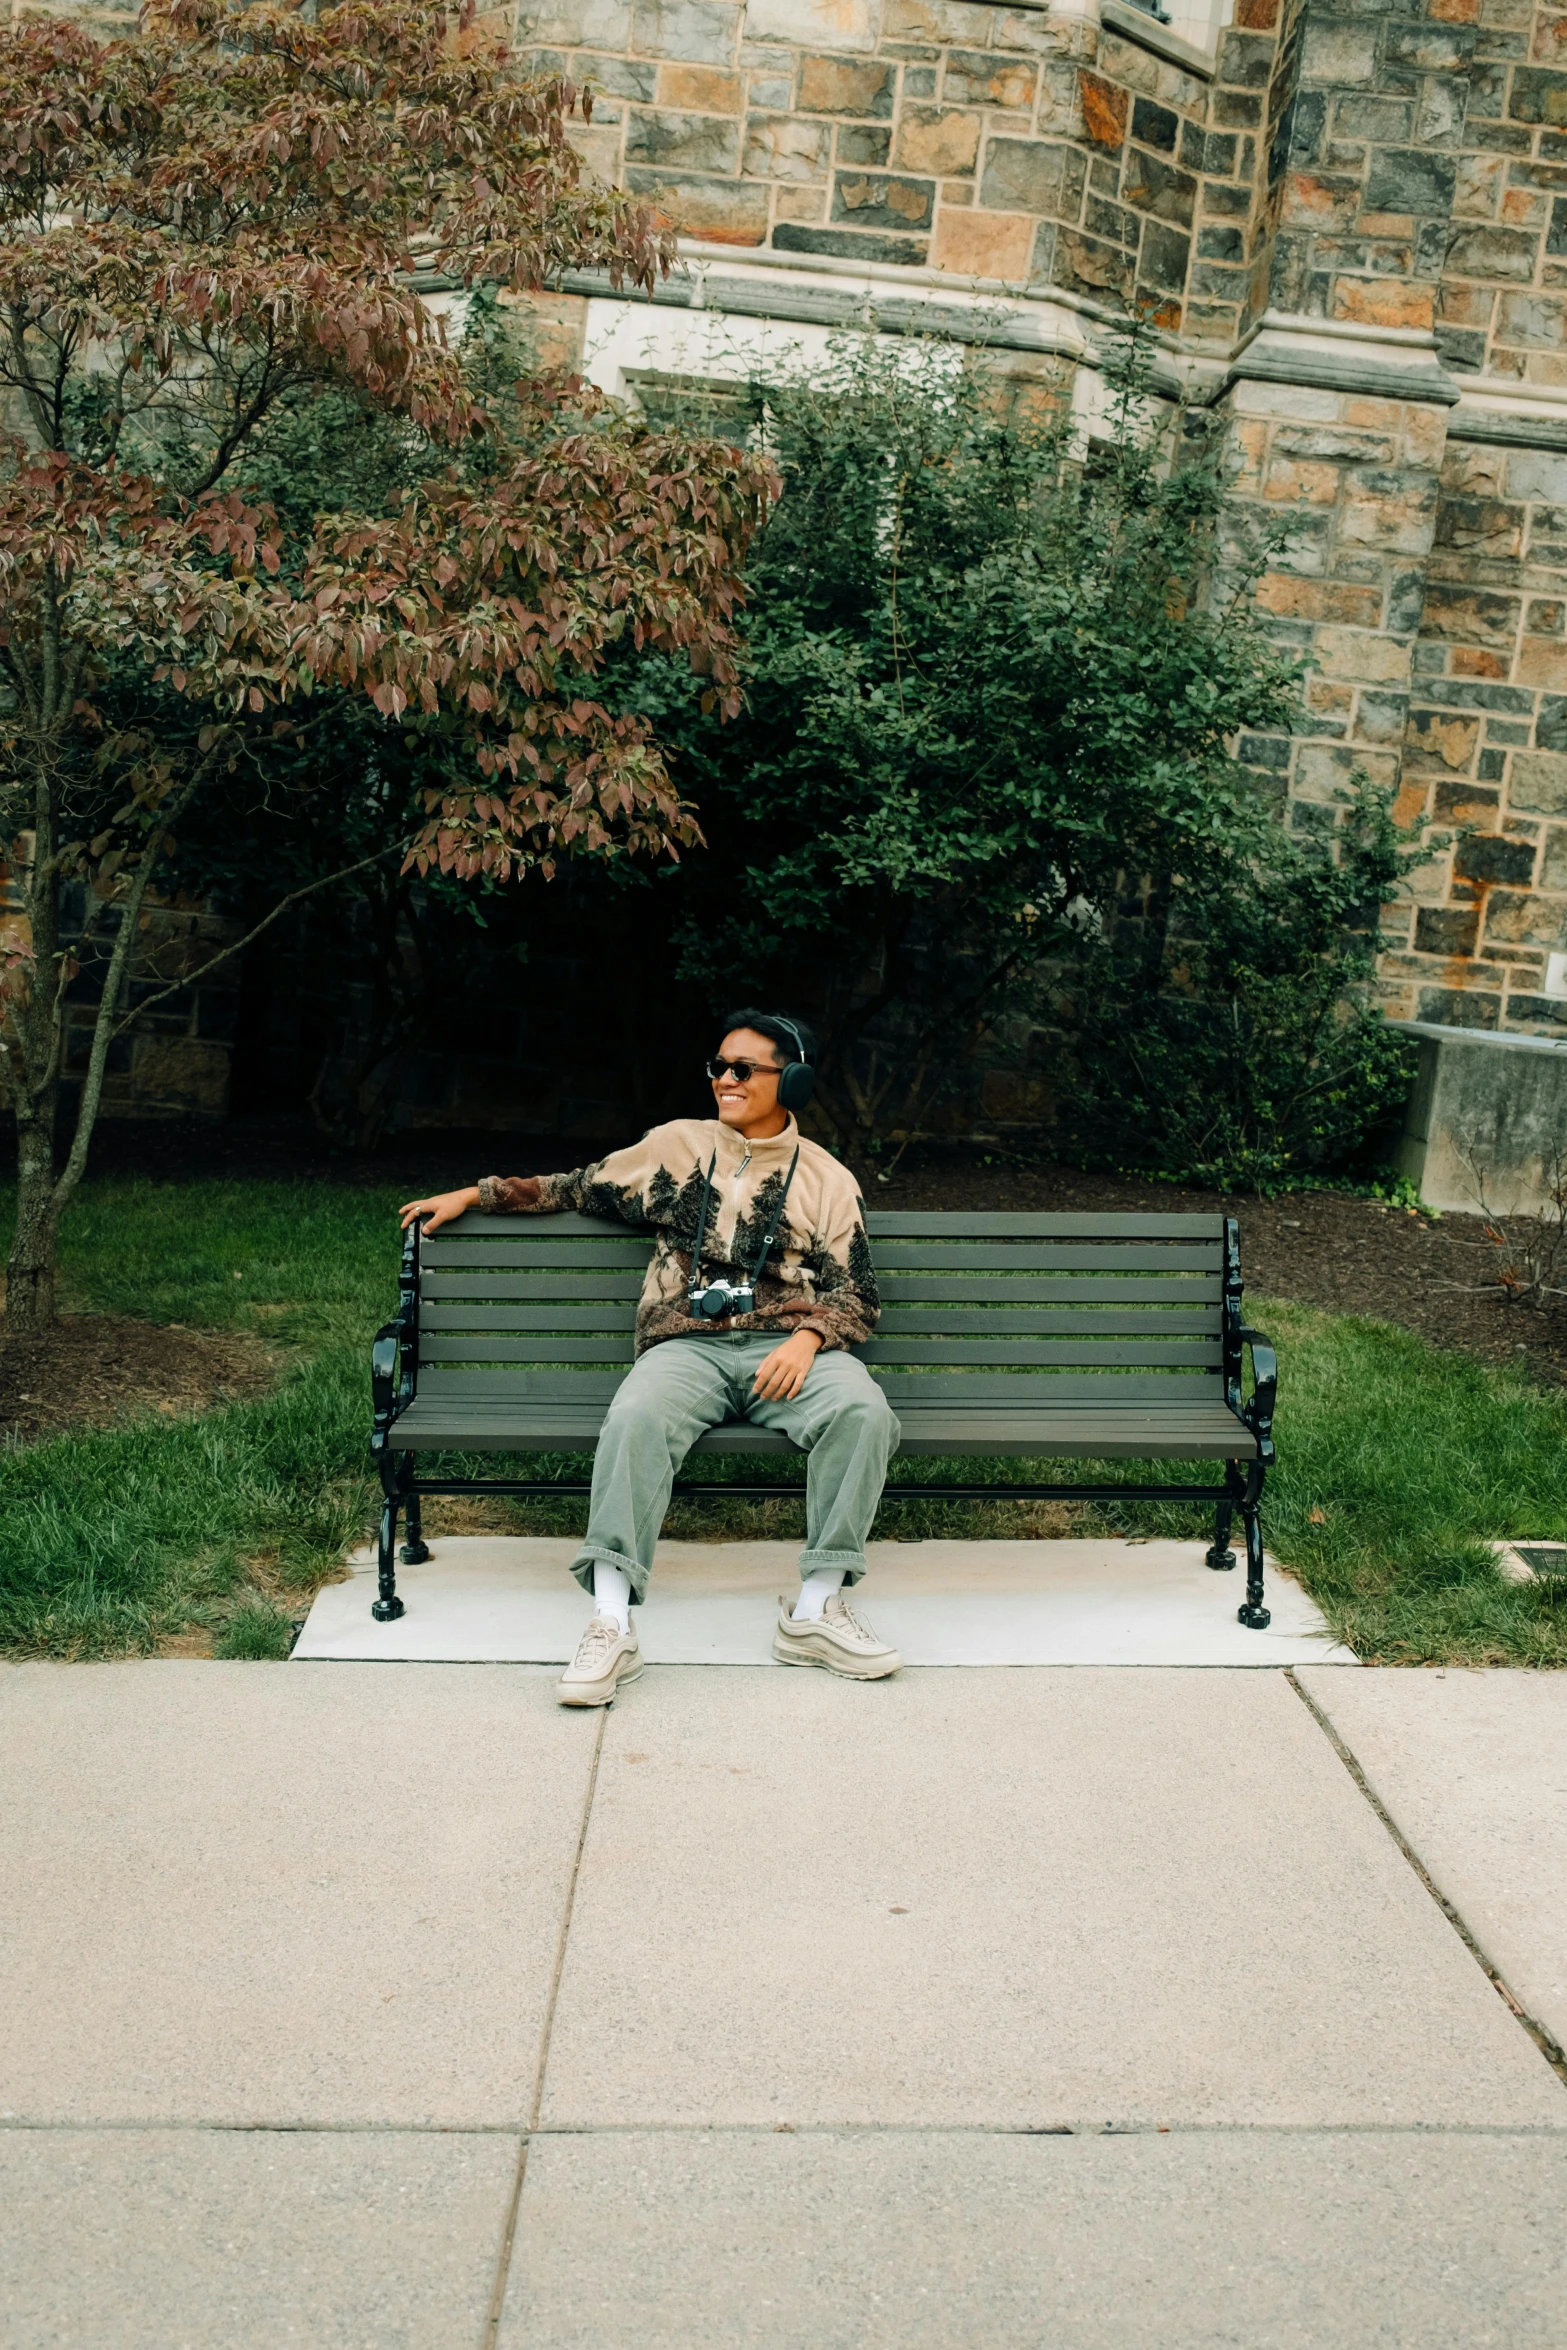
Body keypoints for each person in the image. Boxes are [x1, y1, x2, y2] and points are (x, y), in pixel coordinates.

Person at [399, 1012, 902, 1706]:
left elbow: (858, 1293)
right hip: (685, 1344)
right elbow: (573, 1186)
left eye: (743, 1069)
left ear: (791, 1080)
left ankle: (816, 1610)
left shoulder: (825, 1178)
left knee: (862, 1412)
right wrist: (473, 1194)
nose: (724, 1079)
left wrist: (808, 1337)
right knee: (635, 1416)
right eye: (717, 1067)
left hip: (785, 1348)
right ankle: (610, 1622)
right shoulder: (675, 1147)